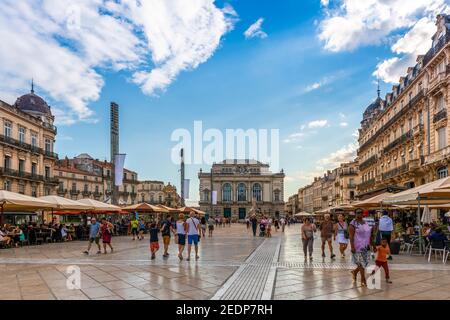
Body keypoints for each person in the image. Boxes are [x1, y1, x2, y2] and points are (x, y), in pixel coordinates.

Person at [349, 209, 373, 287]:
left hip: (366, 246)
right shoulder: (353, 223)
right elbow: (351, 236)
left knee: (364, 263)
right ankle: (363, 279)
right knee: (360, 264)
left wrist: (373, 245)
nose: (360, 214)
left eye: (361, 212)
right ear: (355, 213)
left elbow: (369, 234)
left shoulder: (365, 222)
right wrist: (352, 246)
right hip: (357, 246)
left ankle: (355, 272)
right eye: (358, 212)